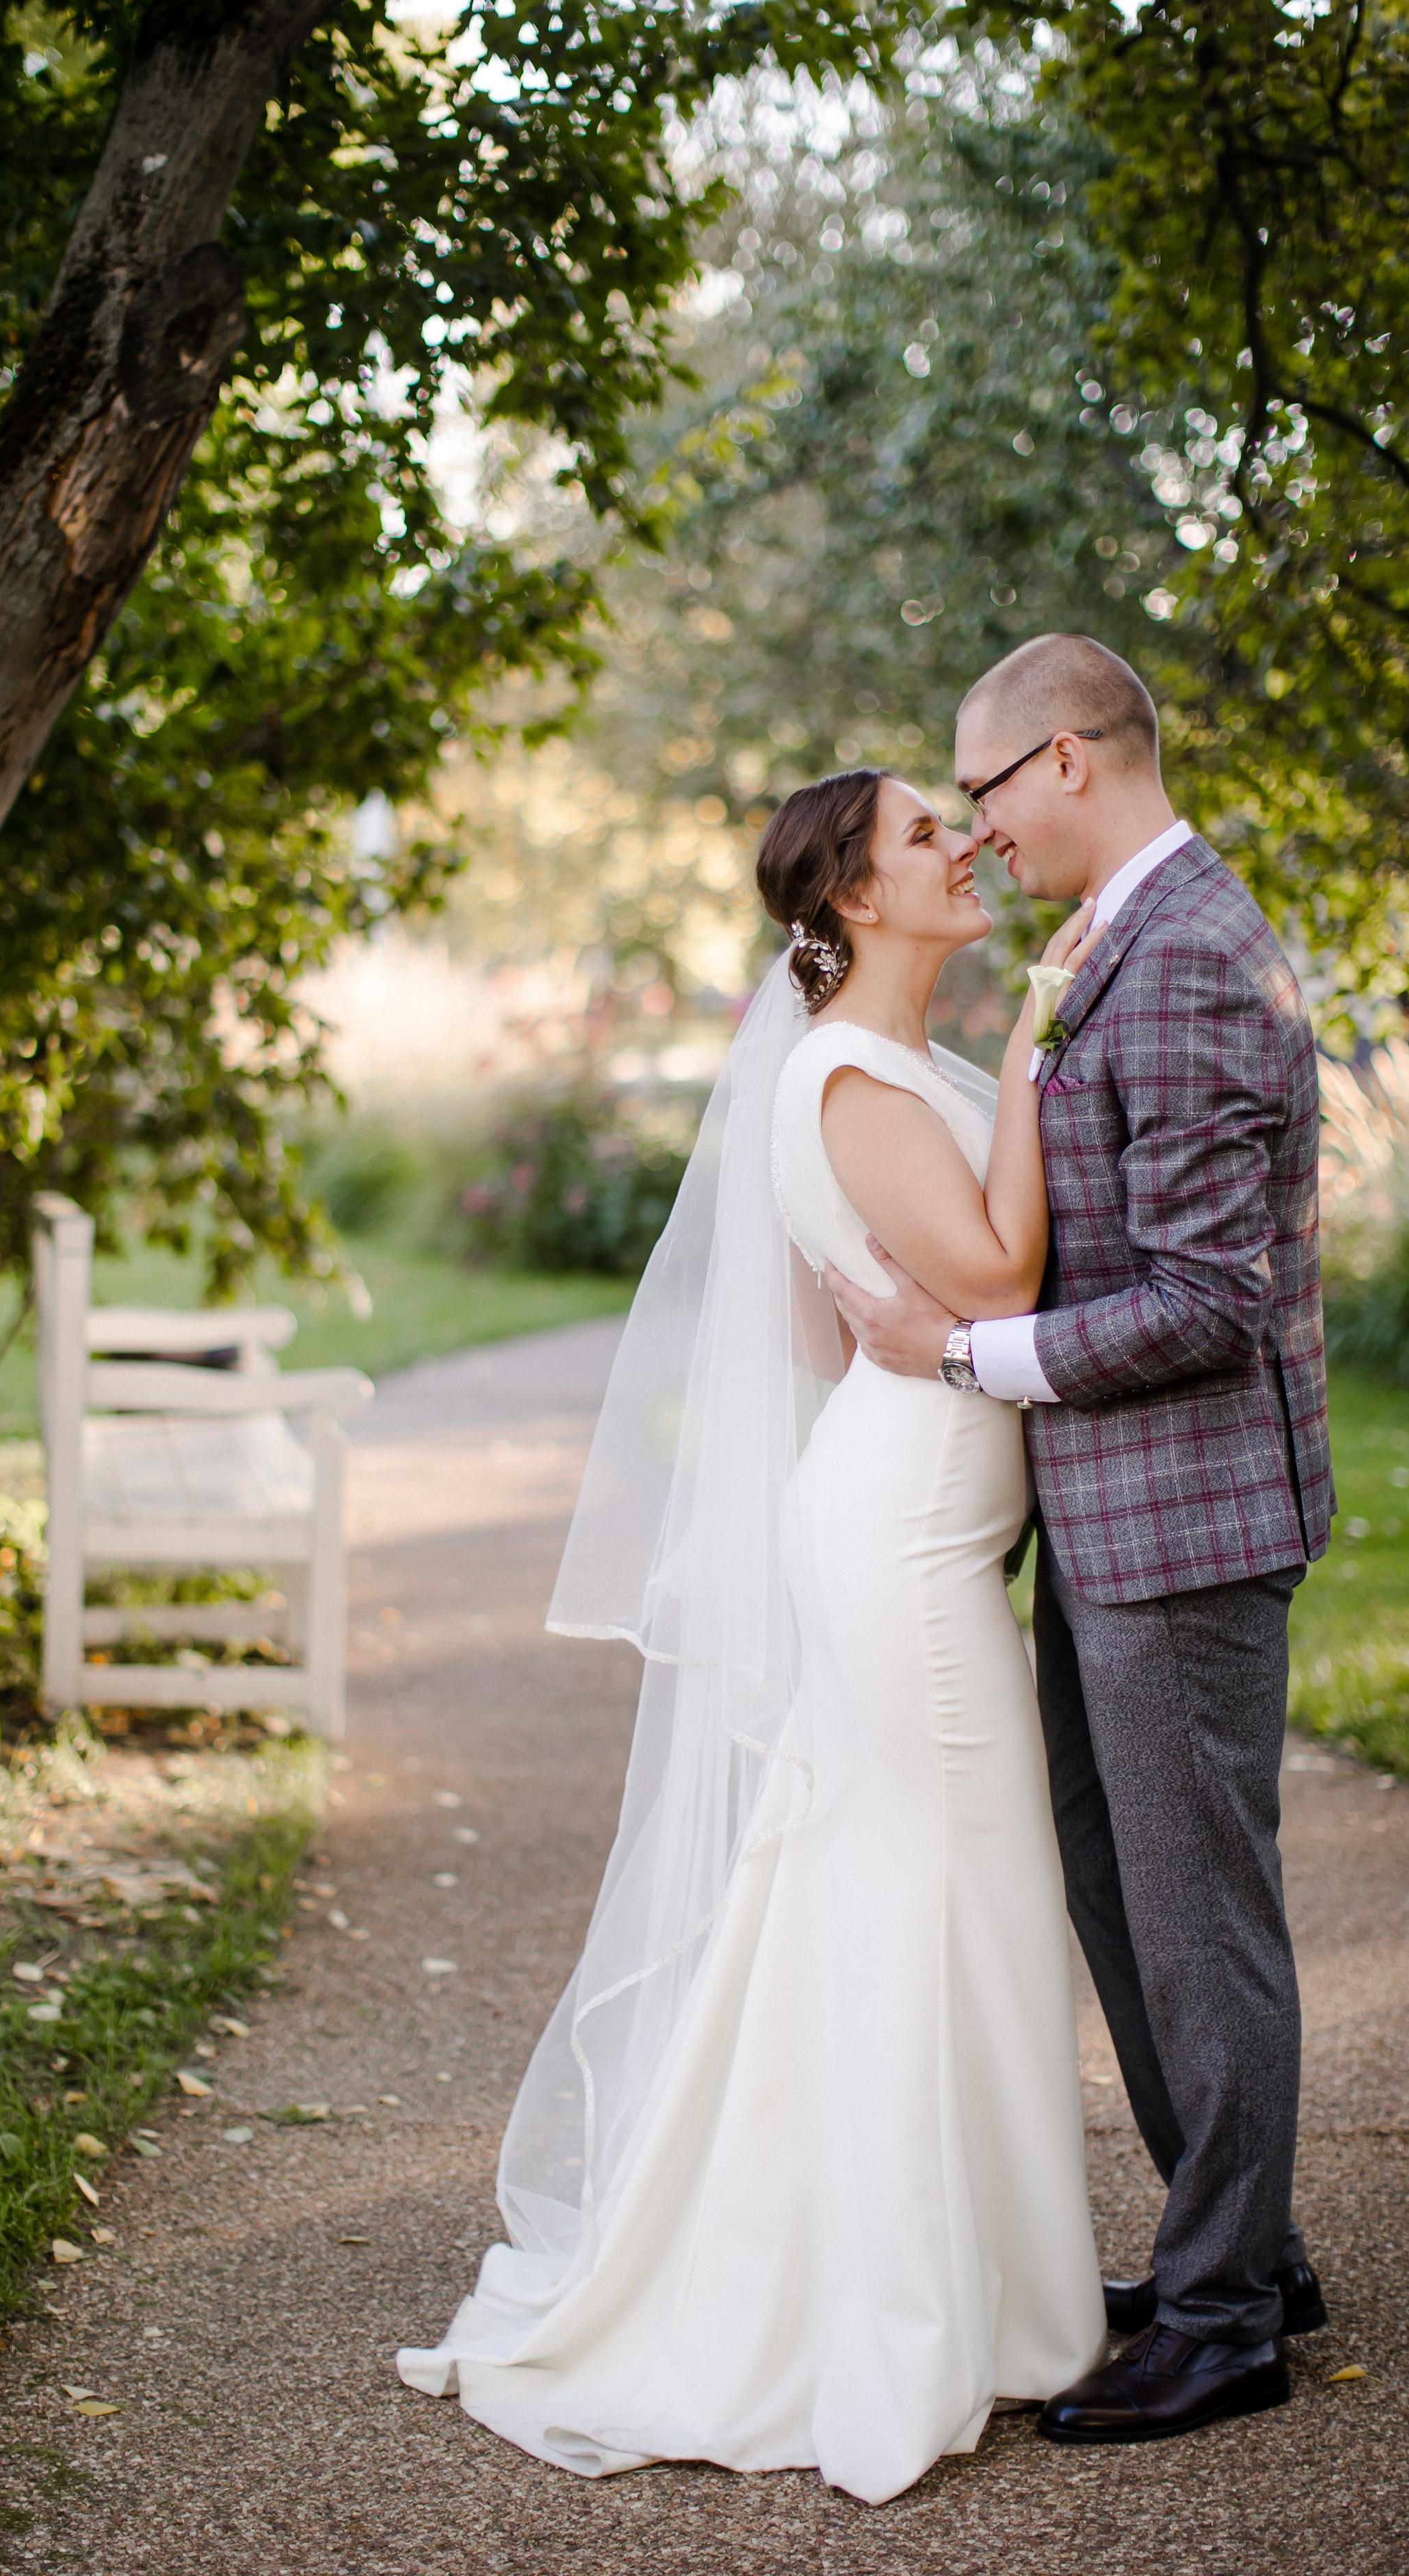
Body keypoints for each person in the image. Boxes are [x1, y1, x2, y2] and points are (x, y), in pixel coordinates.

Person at [397, 764, 1107, 2503]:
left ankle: (961, 2291)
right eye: (927, 833)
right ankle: (908, 2311)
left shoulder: (864, 1069)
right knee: (947, 1889)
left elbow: (813, 1328)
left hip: (906, 1524)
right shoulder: (858, 1074)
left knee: (918, 1889)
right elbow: (997, 1281)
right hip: (899, 1548)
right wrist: (1034, 1041)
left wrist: (895, 1307)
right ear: (854, 896)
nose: (965, 844)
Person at [828, 633, 1334, 2445]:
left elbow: (1204, 1301)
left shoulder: (1185, 952)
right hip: (1109, 1524)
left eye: (977, 794)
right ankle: (1239, 2245)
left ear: (1061, 759)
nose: (975, 834)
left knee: (1198, 1925)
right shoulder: (1116, 939)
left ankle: (1223, 2321)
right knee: (1124, 1893)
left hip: (1184, 1526)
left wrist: (962, 1355)